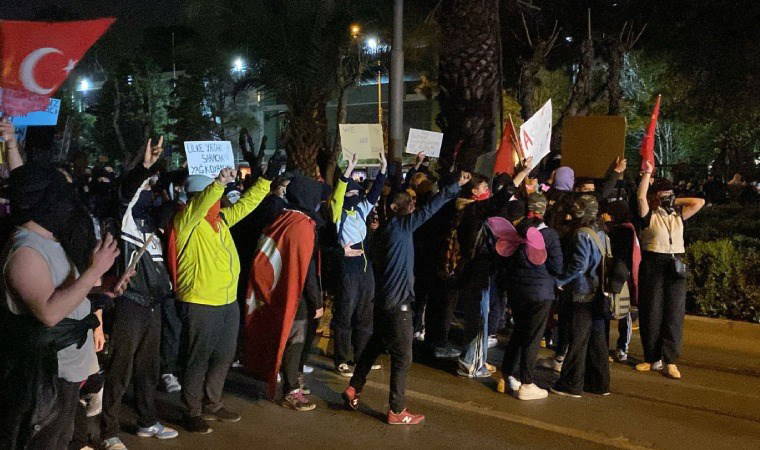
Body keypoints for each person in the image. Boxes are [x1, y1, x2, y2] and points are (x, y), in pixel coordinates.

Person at [0, 130, 128, 448]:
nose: (69, 202)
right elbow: (49, 312)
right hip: (45, 377)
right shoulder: (25, 251)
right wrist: (95, 270)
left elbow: (69, 291)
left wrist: (105, 289)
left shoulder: (51, 239)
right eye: (61, 194)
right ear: (45, 199)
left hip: (68, 369)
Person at [341, 170, 471, 425]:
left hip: (382, 300)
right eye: (409, 203)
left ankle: (354, 387)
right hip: (397, 303)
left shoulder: (383, 231)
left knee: (374, 346)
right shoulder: (402, 226)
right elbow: (431, 208)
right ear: (399, 208)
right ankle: (397, 409)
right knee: (403, 358)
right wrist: (455, 185)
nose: (413, 206)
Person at [168, 164, 273, 434]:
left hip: (226, 301)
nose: (219, 201)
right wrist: (218, 184)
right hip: (200, 301)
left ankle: (212, 403)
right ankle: (191, 410)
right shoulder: (186, 222)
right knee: (198, 358)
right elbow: (200, 205)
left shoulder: (220, 221)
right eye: (213, 196)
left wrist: (265, 181)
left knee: (223, 355)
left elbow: (246, 205)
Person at [100, 138, 179, 450]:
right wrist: (143, 167)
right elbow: (126, 193)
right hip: (130, 305)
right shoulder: (127, 221)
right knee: (120, 369)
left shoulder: (152, 227)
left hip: (152, 306)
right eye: (146, 185)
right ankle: (108, 431)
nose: (150, 188)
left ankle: (147, 421)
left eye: (152, 185)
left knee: (148, 369)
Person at [242, 174, 325, 411]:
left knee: (285, 338)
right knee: (295, 341)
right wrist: (316, 301)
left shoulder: (283, 218)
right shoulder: (302, 226)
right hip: (294, 295)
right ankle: (291, 389)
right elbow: (306, 269)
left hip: (278, 290)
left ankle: (287, 380)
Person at [635, 161, 704, 379]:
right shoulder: (649, 215)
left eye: (669, 194)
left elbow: (699, 202)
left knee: (674, 314)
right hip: (653, 262)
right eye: (662, 194)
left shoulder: (677, 215)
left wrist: (674, 201)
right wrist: (647, 176)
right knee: (651, 311)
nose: (666, 197)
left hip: (675, 264)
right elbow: (640, 197)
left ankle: (670, 360)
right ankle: (651, 357)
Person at [499, 193, 563, 400]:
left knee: (518, 333)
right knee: (532, 339)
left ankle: (507, 375)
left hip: (517, 290)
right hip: (540, 293)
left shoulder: (514, 233)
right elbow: (557, 266)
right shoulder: (549, 235)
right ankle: (527, 382)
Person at [330, 152, 387, 377]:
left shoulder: (362, 209)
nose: (354, 196)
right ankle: (342, 359)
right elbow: (338, 196)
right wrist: (348, 170)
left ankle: (362, 357)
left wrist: (383, 170)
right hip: (348, 268)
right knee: (345, 313)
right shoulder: (338, 213)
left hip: (365, 268)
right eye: (350, 193)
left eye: (356, 192)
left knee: (365, 314)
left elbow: (374, 193)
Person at [550, 194, 610, 398]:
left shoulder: (581, 234)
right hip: (598, 292)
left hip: (581, 293)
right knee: (597, 341)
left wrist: (560, 281)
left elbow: (579, 265)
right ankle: (599, 383)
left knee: (578, 340)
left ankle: (571, 384)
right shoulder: (601, 231)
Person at [603, 200, 641, 363]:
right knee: (621, 312)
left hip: (620, 276)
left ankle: (620, 348)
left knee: (621, 312)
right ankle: (620, 348)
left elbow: (621, 256)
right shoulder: (628, 229)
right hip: (623, 275)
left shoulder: (624, 230)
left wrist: (606, 226)